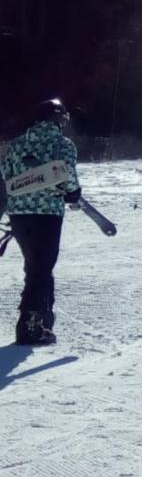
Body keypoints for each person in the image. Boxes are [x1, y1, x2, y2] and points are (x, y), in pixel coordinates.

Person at [1, 99, 80, 345]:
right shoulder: (63, 144)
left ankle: (43, 315)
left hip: (19, 214)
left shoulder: (16, 145)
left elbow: (5, 175)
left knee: (35, 265)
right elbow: (68, 179)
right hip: (47, 214)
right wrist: (73, 192)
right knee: (41, 268)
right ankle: (29, 326)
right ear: (58, 119)